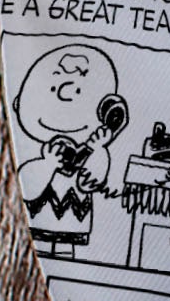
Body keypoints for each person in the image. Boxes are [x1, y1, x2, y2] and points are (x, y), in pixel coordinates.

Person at [12, 43, 128, 258]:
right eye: (53, 89)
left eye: (78, 91)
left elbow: (91, 181)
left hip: (73, 220)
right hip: (41, 219)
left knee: (66, 253)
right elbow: (29, 183)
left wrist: (98, 149)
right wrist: (48, 165)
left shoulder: (88, 151)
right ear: (18, 104)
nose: (65, 94)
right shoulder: (44, 155)